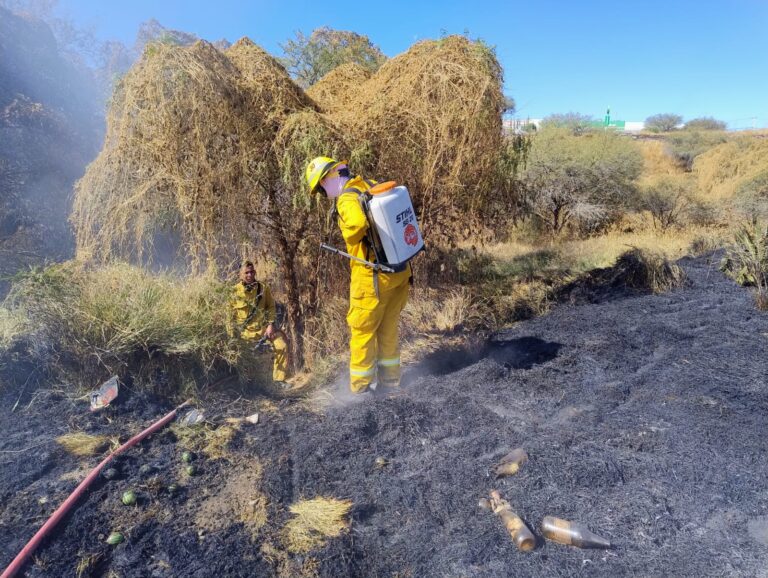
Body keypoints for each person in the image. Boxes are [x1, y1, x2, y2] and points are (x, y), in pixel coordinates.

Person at [305, 156, 411, 395]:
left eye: (321, 188)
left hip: (372, 277)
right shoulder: (369, 183)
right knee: (388, 328)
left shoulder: (346, 198)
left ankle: (361, 390)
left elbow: (356, 225)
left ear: (328, 179)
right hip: (399, 272)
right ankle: (390, 383)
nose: (324, 193)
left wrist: (348, 232)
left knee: (362, 331)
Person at [229, 261, 290, 388]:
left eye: (252, 272)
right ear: (240, 274)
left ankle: (279, 381)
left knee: (281, 345)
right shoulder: (234, 292)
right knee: (246, 359)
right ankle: (250, 384)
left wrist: (270, 325)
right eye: (246, 272)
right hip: (245, 334)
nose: (250, 275)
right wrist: (232, 337)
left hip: (264, 330)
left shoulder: (263, 288)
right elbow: (229, 318)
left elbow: (271, 307)